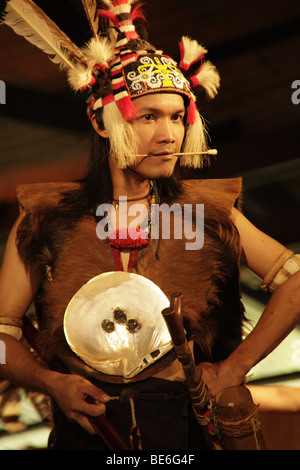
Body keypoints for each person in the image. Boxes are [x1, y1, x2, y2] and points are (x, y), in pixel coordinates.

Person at [0, 0, 300, 450]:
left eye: (178, 116)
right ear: (104, 124)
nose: (169, 134)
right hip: (87, 433)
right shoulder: (44, 217)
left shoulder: (208, 211)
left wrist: (233, 368)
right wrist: (51, 383)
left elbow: (296, 283)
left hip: (187, 430)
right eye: (148, 117)